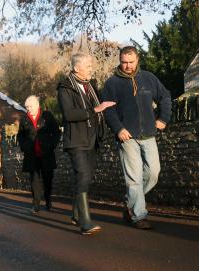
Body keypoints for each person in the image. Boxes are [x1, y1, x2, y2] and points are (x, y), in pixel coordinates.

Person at [102, 46, 171, 229]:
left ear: (137, 60)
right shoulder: (112, 83)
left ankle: (131, 202)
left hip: (149, 134)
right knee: (133, 178)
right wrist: (118, 129)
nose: (127, 66)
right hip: (127, 136)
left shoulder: (148, 78)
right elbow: (108, 110)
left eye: (131, 62)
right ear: (120, 60)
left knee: (153, 173)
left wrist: (163, 118)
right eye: (124, 62)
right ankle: (139, 216)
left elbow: (165, 96)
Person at [57, 53, 115, 235]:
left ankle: (75, 214)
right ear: (76, 68)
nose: (91, 68)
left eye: (91, 65)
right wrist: (95, 109)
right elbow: (69, 114)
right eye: (88, 65)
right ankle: (85, 222)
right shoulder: (65, 87)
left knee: (86, 177)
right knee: (82, 175)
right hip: (76, 140)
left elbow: (102, 107)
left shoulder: (91, 86)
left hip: (93, 138)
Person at [17, 95, 60, 213]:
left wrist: (52, 145)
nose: (28, 109)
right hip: (31, 155)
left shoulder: (47, 116)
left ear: (37, 105)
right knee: (34, 180)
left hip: (46, 153)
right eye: (27, 107)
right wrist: (24, 147)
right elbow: (20, 136)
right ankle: (36, 204)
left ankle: (48, 201)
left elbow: (56, 132)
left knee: (48, 179)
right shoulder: (24, 119)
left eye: (30, 106)